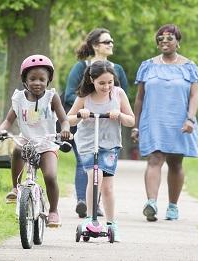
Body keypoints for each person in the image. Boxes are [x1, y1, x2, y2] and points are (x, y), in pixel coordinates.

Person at [131, 24, 198, 222]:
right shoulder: (148, 66)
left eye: (169, 38)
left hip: (179, 121)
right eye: (160, 39)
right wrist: (136, 125)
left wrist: (190, 118)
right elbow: (139, 98)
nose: (164, 41)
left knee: (175, 163)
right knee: (154, 159)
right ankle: (151, 203)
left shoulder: (189, 67)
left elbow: (194, 97)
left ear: (178, 42)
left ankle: (173, 206)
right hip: (153, 121)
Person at [0, 54, 70, 227]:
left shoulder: (52, 97)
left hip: (47, 143)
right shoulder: (19, 99)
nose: (37, 83)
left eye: (42, 79)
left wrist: (65, 130)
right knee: (18, 149)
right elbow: (8, 120)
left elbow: (64, 120)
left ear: (48, 80)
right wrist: (1, 130)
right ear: (25, 80)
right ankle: (15, 187)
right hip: (27, 140)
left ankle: (53, 211)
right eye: (33, 79)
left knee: (50, 176)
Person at [64, 28, 128, 218]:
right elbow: (69, 94)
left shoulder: (116, 70)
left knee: (102, 173)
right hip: (85, 123)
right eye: (106, 42)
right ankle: (83, 202)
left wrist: (116, 113)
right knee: (86, 166)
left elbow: (121, 97)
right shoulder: (81, 68)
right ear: (94, 46)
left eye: (111, 42)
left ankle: (97, 206)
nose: (110, 45)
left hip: (109, 129)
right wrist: (86, 110)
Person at [67, 60, 135, 241]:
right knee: (94, 177)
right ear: (92, 80)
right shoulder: (85, 96)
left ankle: (112, 223)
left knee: (107, 186)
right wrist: (80, 114)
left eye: (110, 82)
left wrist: (119, 114)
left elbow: (131, 120)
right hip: (88, 143)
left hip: (110, 144)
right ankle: (90, 218)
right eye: (102, 83)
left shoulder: (118, 94)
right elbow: (69, 119)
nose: (106, 87)